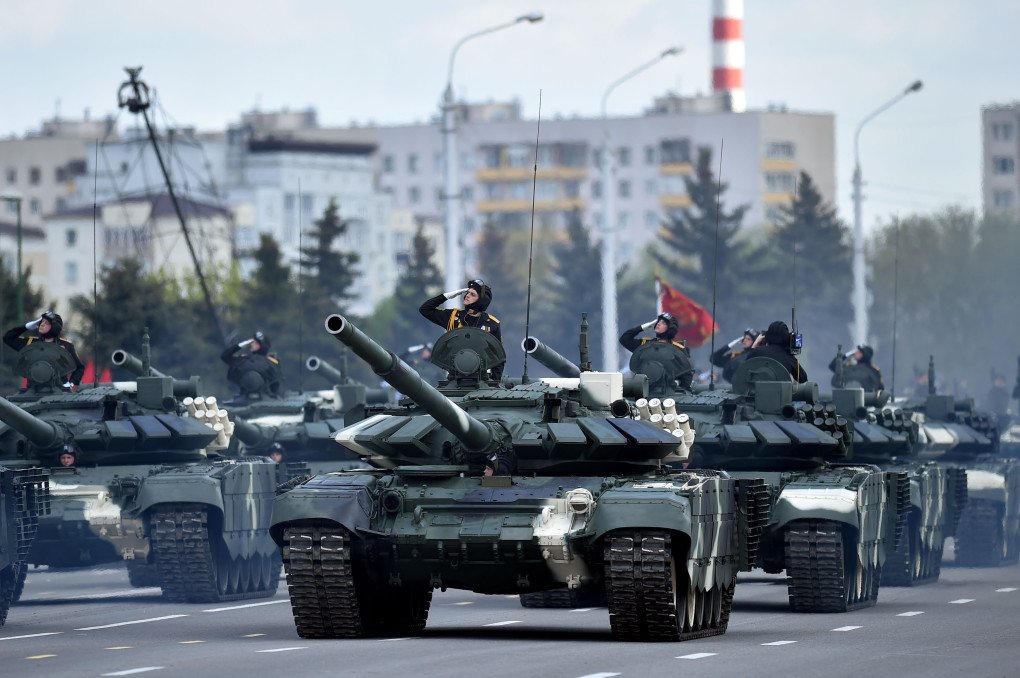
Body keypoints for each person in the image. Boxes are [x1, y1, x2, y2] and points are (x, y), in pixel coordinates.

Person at [419, 279, 503, 380]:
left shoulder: (492, 324)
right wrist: (446, 296)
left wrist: (495, 382)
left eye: (472, 294)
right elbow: (425, 309)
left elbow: (498, 356)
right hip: (454, 377)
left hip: (481, 378)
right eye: (468, 293)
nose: (467, 295)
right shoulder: (453, 317)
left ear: (481, 300)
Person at [4, 310, 86, 388]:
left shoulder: (66, 346)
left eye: (46, 323)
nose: (42, 324)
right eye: (41, 322)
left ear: (54, 327)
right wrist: (26, 327)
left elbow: (79, 368)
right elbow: (8, 338)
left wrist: (71, 383)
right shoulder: (31, 343)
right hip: (34, 389)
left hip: (59, 389)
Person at [619, 312, 693, 390]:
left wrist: (682, 390)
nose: (658, 324)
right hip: (644, 388)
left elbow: (686, 372)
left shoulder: (678, 349)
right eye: (658, 321)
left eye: (663, 323)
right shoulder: (645, 345)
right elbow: (624, 339)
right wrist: (644, 326)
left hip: (670, 390)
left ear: (670, 328)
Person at [220, 330, 282, 397]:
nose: (251, 344)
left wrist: (241, 345)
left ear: (262, 345)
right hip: (245, 397)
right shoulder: (246, 359)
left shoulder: (245, 361)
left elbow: (276, 381)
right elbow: (225, 356)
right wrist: (241, 344)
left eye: (255, 343)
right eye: (252, 342)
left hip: (265, 396)